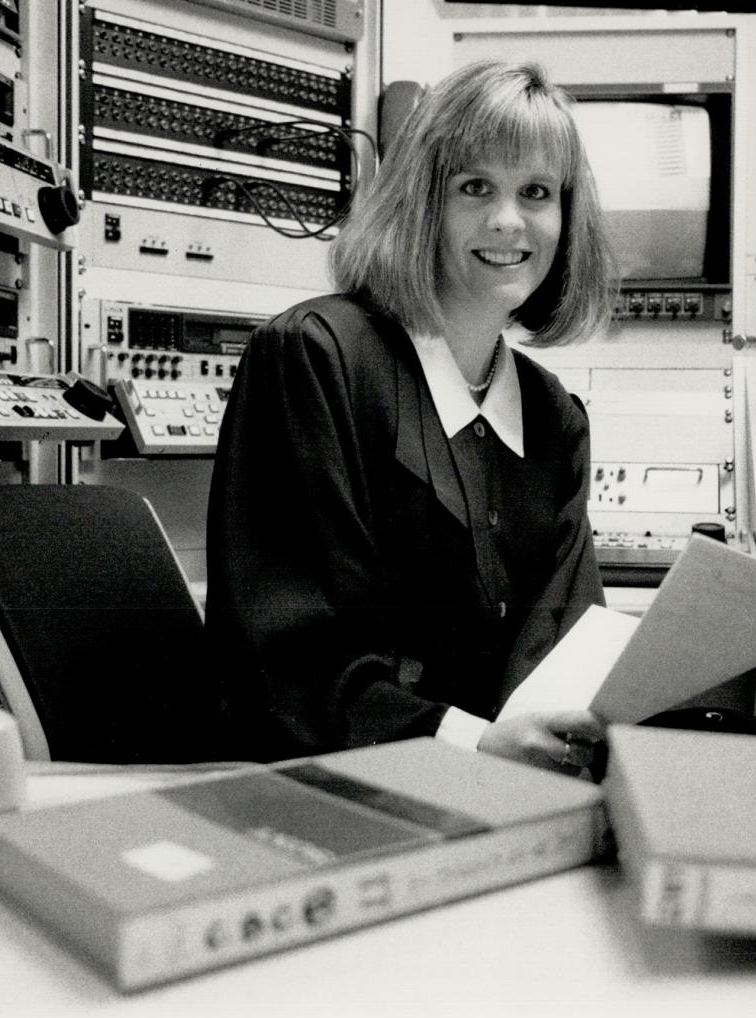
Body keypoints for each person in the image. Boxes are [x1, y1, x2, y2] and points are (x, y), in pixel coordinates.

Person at [206, 60, 618, 773]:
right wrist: (472, 742)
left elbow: (565, 641)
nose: (507, 221)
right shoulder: (315, 356)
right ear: (422, 202)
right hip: (329, 789)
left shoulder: (554, 418)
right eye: (474, 187)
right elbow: (285, 660)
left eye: (537, 192)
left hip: (502, 794)